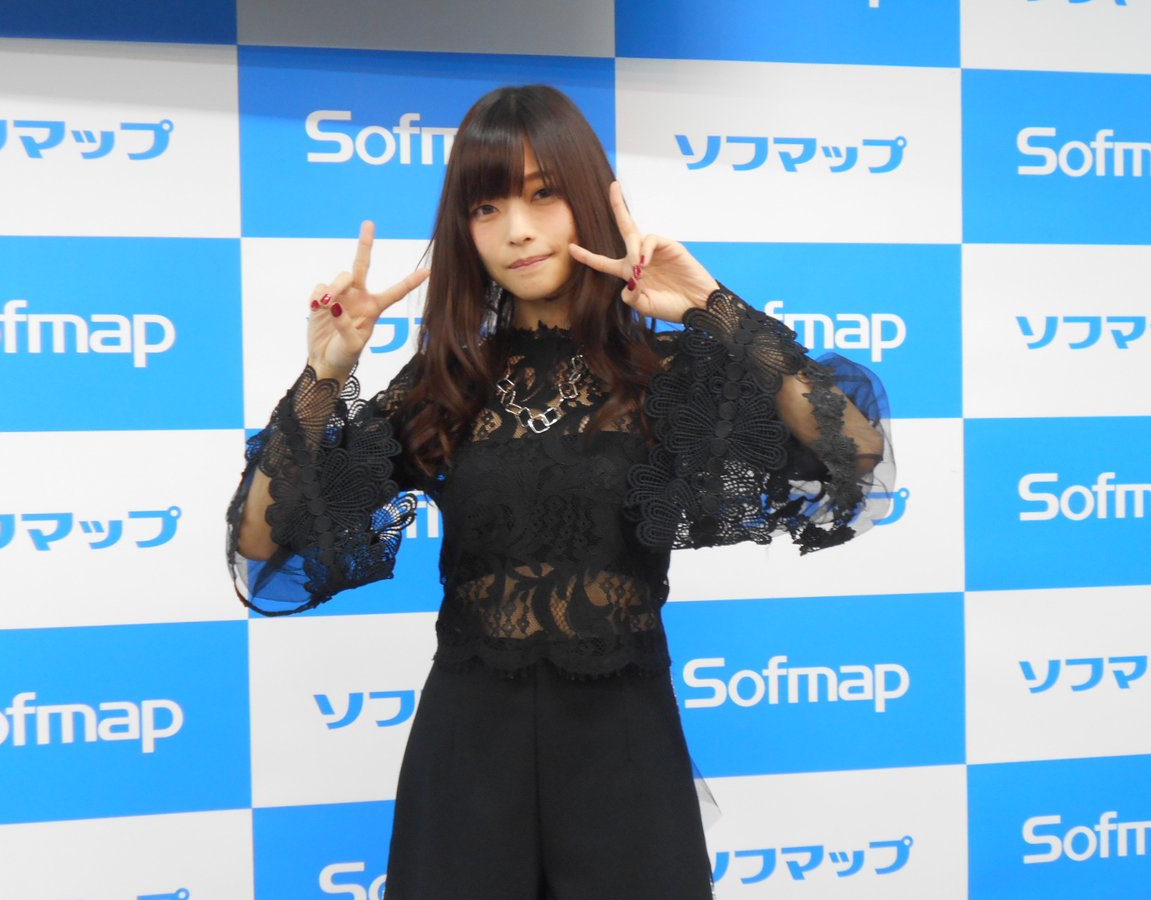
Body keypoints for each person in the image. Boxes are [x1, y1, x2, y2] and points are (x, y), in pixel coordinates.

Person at [228, 84, 892, 900]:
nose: (516, 228)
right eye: (486, 207)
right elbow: (264, 544)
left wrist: (715, 309)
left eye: (543, 195)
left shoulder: (665, 373)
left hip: (625, 751)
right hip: (468, 752)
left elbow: (854, 450)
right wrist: (325, 376)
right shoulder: (442, 385)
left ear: (587, 199)